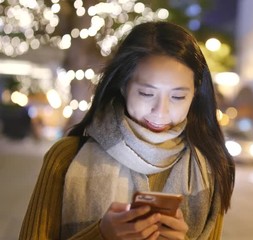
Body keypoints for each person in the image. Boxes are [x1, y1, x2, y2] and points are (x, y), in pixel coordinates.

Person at [20, 21, 236, 240]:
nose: (160, 112)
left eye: (178, 97)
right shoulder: (66, 157)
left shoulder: (210, 168)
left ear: (195, 95)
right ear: (123, 86)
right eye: (146, 94)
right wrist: (101, 235)